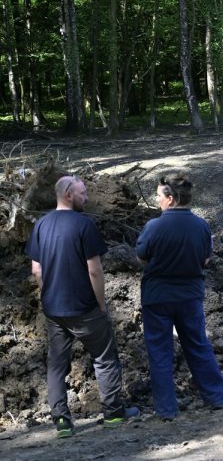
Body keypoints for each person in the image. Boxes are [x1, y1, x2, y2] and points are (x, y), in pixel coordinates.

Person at [25, 176, 138, 439]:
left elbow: (36, 269)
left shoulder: (41, 226)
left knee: (56, 364)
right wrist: (101, 303)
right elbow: (95, 270)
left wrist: (49, 295)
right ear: (67, 194)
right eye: (82, 193)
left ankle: (62, 422)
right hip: (85, 308)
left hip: (54, 311)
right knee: (104, 358)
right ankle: (113, 413)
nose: (86, 198)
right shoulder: (84, 225)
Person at [135, 173, 223, 420]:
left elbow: (141, 257)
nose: (157, 201)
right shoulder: (201, 226)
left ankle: (166, 410)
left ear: (171, 199)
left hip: (157, 298)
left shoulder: (154, 226)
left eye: (159, 196)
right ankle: (216, 398)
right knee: (198, 345)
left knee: (160, 352)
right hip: (190, 296)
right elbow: (206, 259)